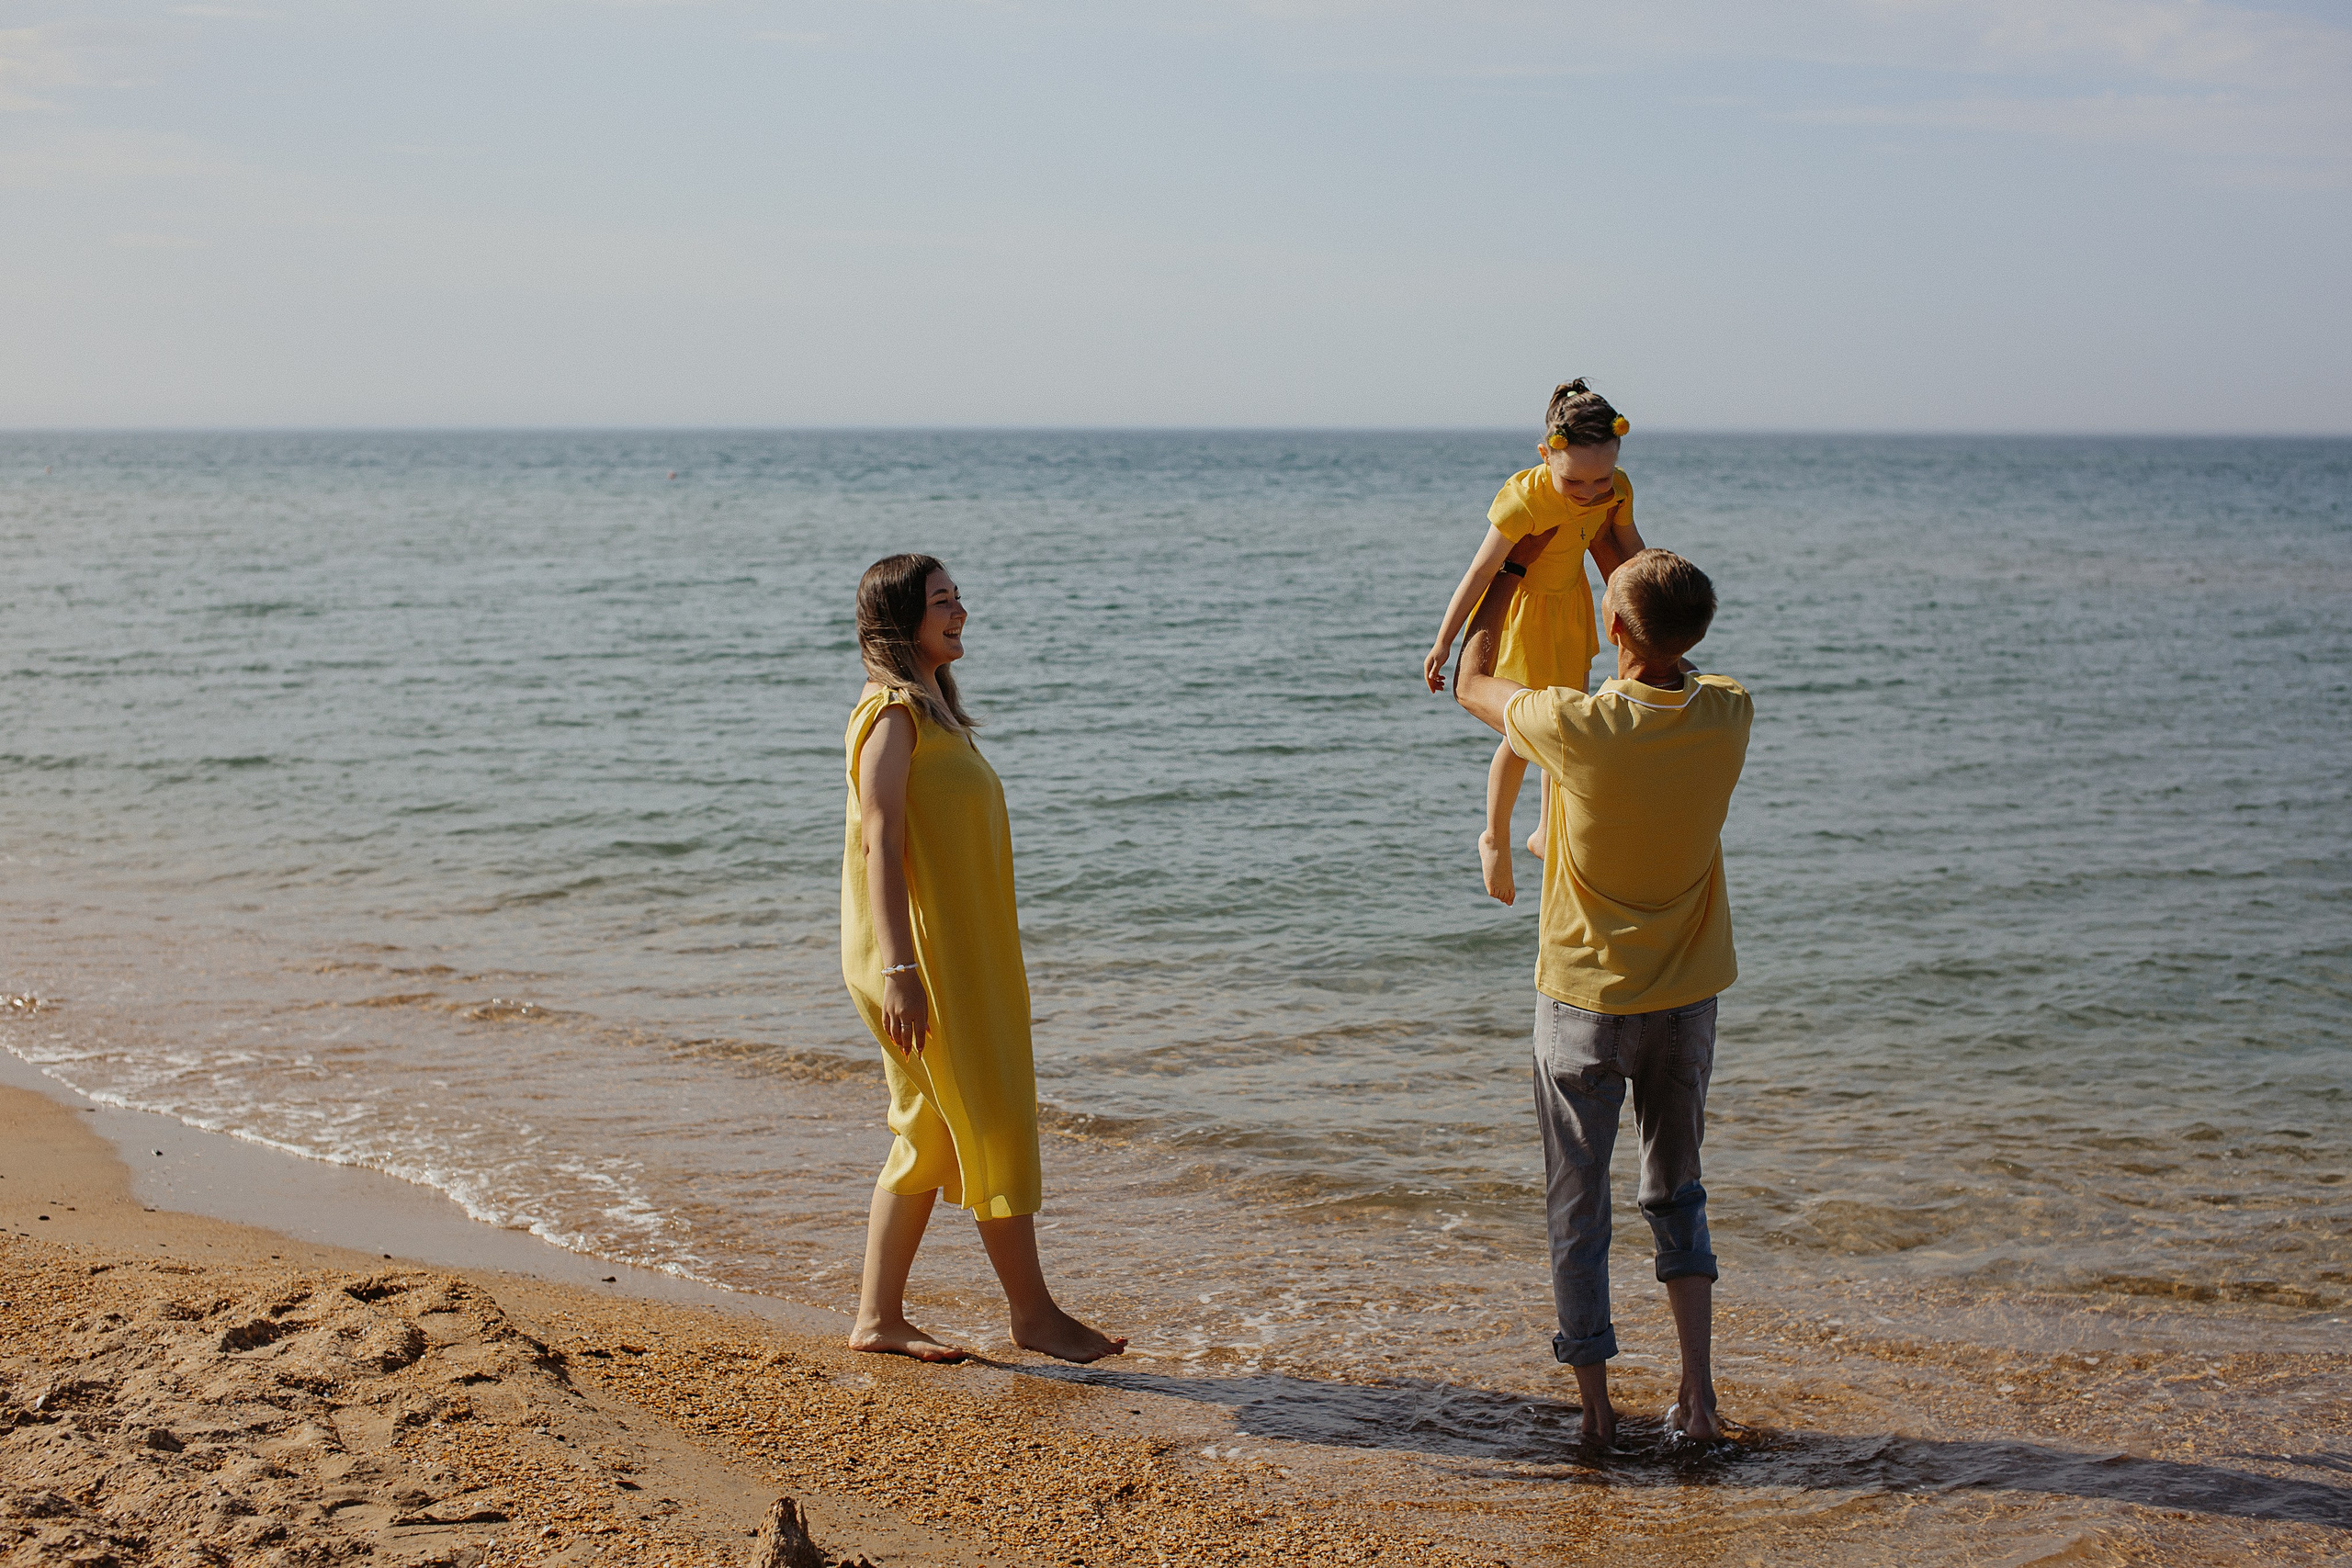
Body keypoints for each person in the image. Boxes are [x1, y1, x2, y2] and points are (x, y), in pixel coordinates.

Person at [1451, 544, 1751, 1445]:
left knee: (1577, 1209)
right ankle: (1697, 1402)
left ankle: (1595, 1416)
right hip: (1687, 1002)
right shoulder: (1730, 713)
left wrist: (1505, 574)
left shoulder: (1575, 725)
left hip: (1582, 1004)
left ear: (1610, 630)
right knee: (1677, 1193)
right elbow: (1676, 656)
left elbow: (1473, 680)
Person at [838, 552, 1125, 1365]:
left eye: (959, 598)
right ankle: (1033, 1314)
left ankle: (877, 1316)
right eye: (941, 602)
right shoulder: (894, 713)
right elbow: (879, 839)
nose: (960, 611)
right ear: (901, 618)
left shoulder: (931, 711)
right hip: (923, 958)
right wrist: (901, 968)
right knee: (993, 1114)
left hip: (952, 952)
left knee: (927, 1130)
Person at [1424, 379, 1648, 907]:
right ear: (1547, 453)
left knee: (1565, 718)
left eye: (1603, 479)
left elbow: (1631, 546)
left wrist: (1660, 595)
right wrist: (1443, 642)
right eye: (1577, 483)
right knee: (1525, 732)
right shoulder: (1524, 497)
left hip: (1570, 608)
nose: (1593, 493)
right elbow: (1479, 572)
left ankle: (1547, 829)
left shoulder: (1615, 487)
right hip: (1524, 612)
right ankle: (1494, 837)